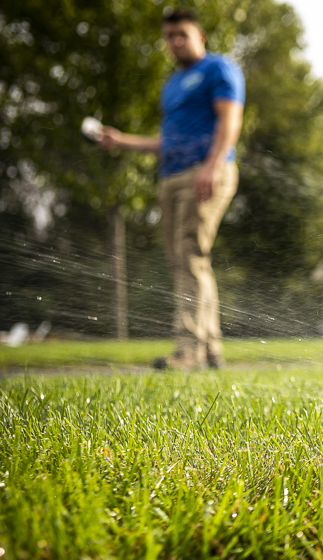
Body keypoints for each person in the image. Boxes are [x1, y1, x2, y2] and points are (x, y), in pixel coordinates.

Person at [99, 7, 244, 370]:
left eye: (182, 34)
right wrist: (121, 141)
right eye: (169, 36)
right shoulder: (171, 85)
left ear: (201, 36)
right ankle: (210, 350)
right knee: (186, 261)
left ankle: (187, 351)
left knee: (190, 255)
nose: (175, 41)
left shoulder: (218, 68)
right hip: (172, 176)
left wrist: (211, 166)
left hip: (206, 169)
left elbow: (230, 120)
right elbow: (167, 140)